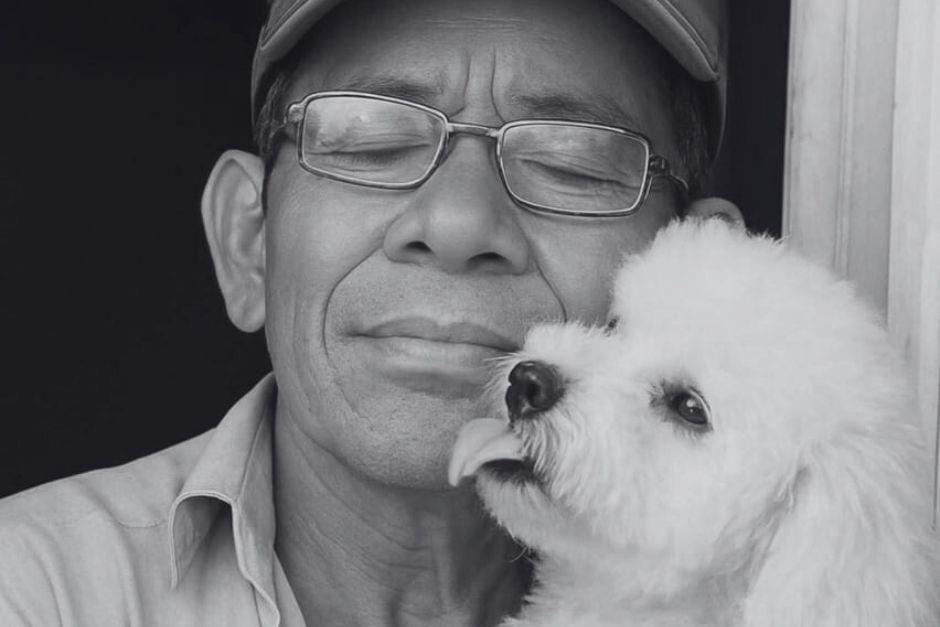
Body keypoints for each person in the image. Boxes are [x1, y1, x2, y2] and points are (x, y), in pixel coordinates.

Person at [0, 0, 743, 624]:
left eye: (571, 161)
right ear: (248, 241)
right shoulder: (36, 592)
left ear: (697, 274)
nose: (456, 224)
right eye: (370, 140)